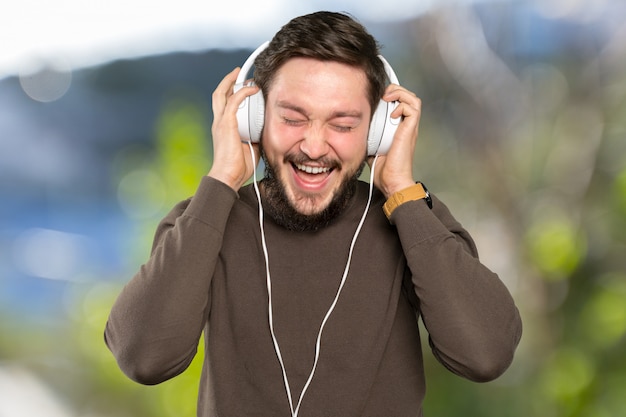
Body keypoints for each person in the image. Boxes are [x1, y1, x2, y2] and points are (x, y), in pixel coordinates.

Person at [104, 11, 522, 417]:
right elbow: (143, 357)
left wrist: (401, 192)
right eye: (292, 118)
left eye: (342, 124)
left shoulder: (413, 218)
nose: (315, 146)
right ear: (254, 118)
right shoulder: (205, 221)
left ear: (378, 130)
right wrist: (221, 180)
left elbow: (485, 355)